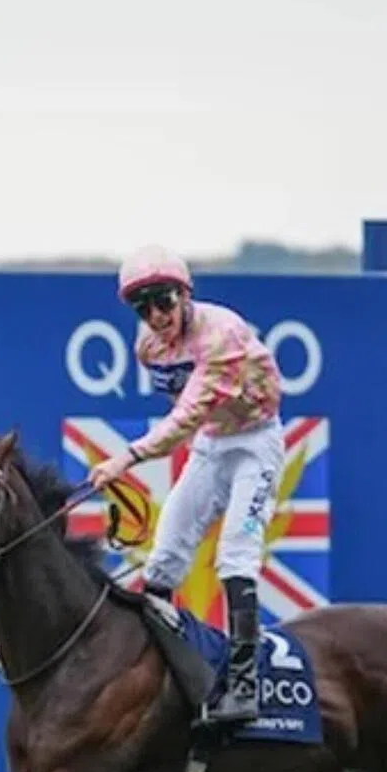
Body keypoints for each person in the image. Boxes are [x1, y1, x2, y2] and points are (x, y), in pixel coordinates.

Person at [89, 244, 285, 725]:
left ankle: (244, 685)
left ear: (184, 294)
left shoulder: (221, 333)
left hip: (255, 444)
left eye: (163, 300)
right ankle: (166, 674)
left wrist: (127, 458)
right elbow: (192, 419)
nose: (155, 315)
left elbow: (188, 412)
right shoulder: (149, 347)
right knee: (163, 560)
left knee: (235, 554)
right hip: (212, 444)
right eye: (142, 307)